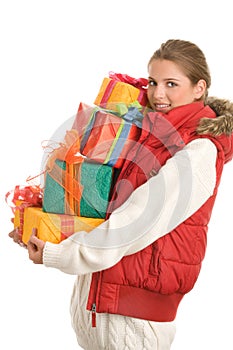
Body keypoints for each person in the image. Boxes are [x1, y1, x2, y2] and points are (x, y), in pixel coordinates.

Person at [9, 39, 233, 350]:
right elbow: (99, 207)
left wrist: (58, 254)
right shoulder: (144, 134)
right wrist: (39, 226)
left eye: (171, 83)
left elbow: (136, 221)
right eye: (153, 82)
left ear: (199, 88)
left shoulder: (199, 152)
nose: (157, 94)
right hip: (95, 306)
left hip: (133, 322)